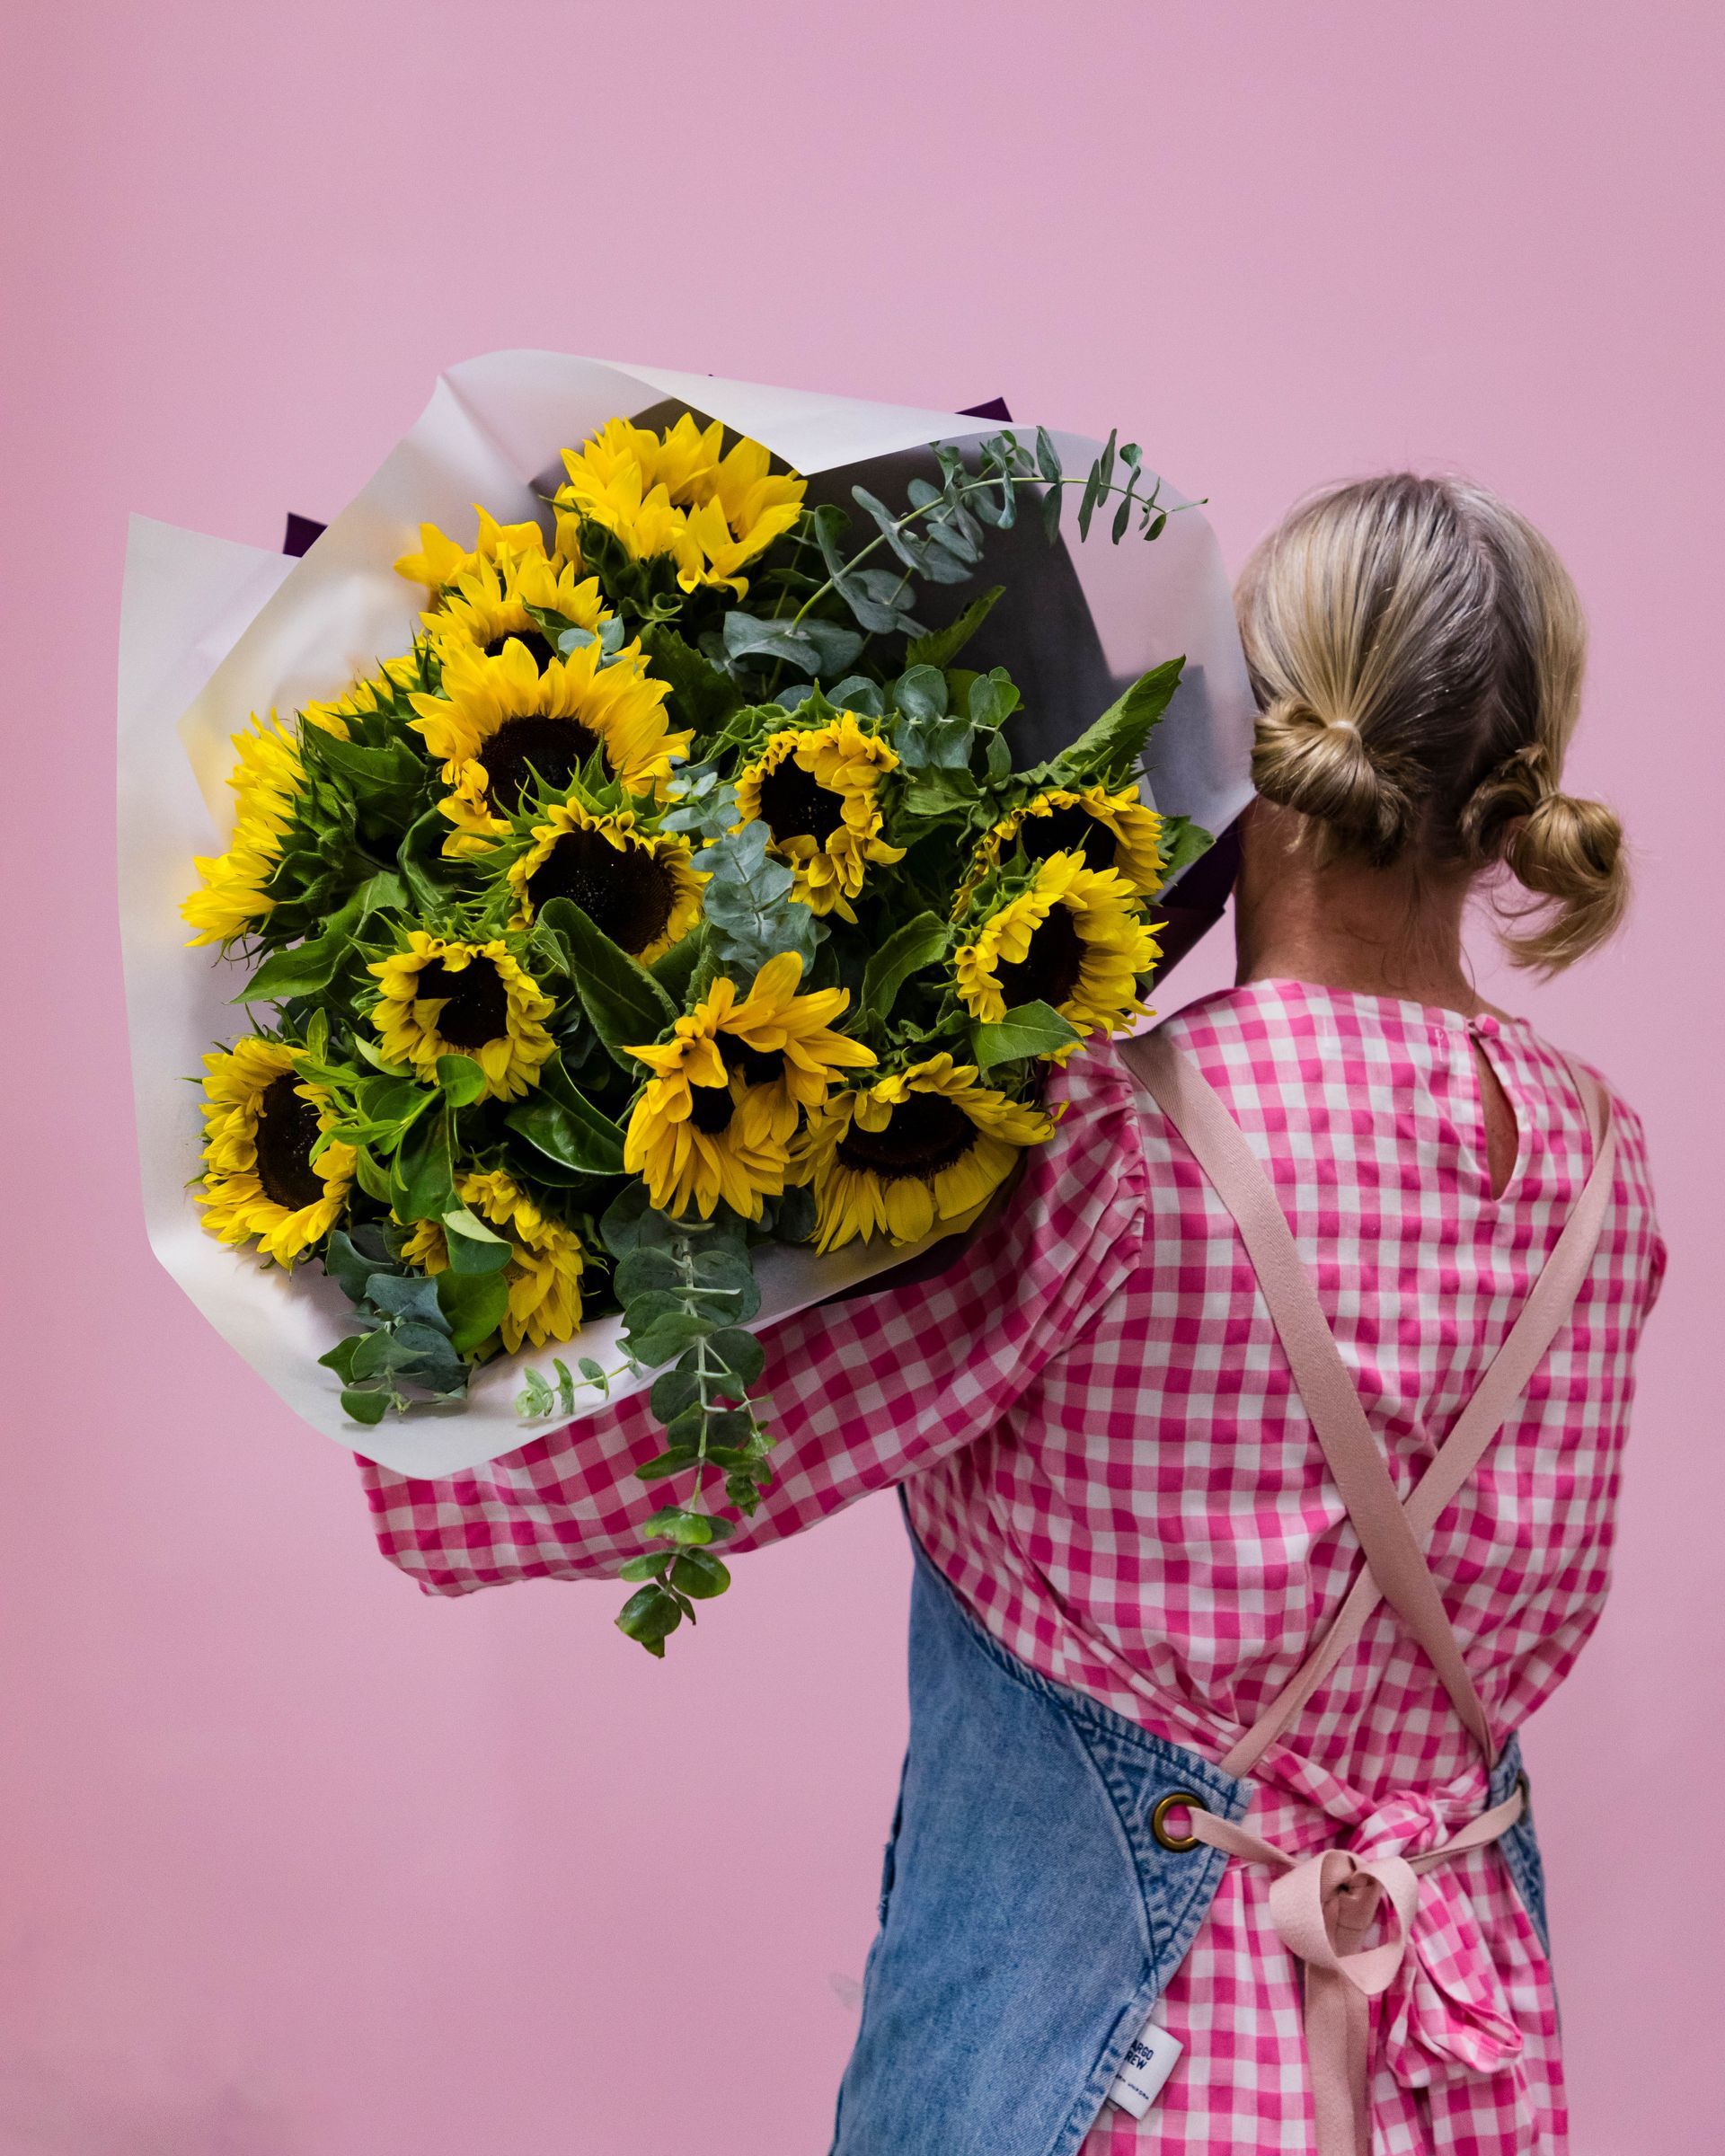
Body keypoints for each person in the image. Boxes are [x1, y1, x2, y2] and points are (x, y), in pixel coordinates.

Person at [358, 473, 1664, 2155]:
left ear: (1248, 730)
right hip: (1461, 2075)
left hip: (1123, 2089)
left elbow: (656, 1456)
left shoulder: (1115, 1146)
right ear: (1511, 793)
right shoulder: (1605, 1166)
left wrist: (411, 1290)